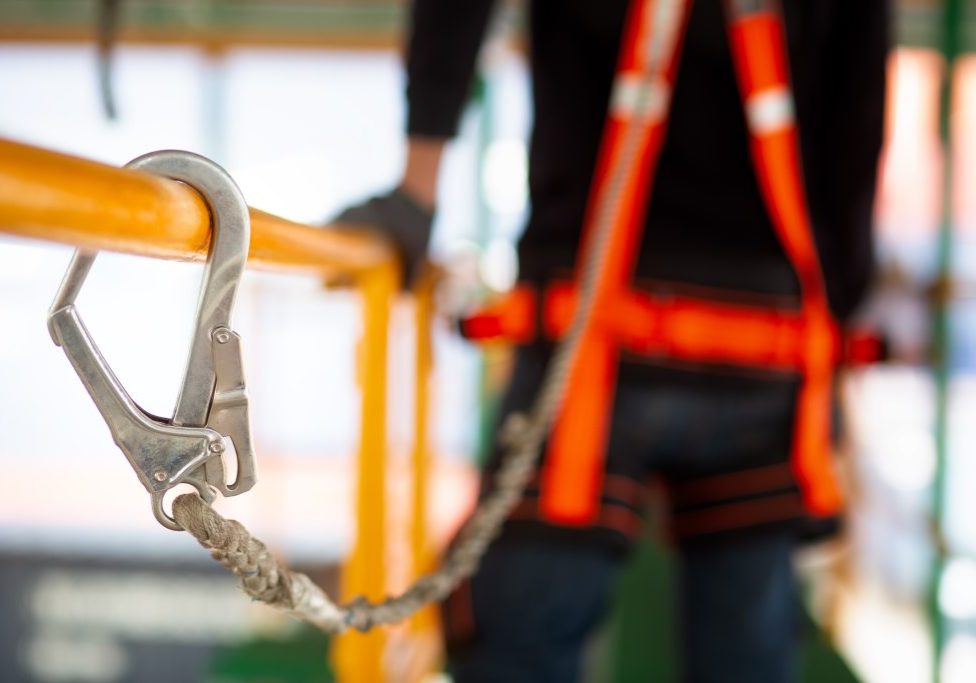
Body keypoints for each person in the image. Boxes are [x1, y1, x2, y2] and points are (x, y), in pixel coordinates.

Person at [337, 0, 889, 680]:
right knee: (747, 650)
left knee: (523, 642)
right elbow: (860, 101)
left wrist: (417, 193)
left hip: (590, 347)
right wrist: (834, 306)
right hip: (760, 349)